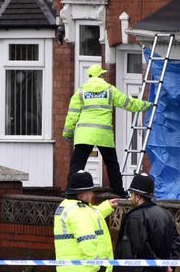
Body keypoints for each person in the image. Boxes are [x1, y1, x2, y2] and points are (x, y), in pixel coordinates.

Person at [63, 63, 152, 198]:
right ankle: (119, 191)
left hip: (84, 134)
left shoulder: (81, 92)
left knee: (77, 164)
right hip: (103, 134)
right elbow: (128, 103)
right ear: (100, 75)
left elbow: (72, 115)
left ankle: (70, 191)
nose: (104, 76)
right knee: (111, 164)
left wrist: (68, 133)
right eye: (103, 74)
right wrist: (146, 105)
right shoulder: (110, 90)